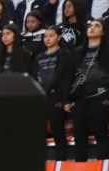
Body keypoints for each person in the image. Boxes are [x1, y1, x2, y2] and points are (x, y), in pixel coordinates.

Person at [66, 18, 109, 162]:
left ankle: (101, 169)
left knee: (101, 134)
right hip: (80, 97)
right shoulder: (77, 52)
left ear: (103, 32)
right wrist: (68, 99)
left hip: (101, 95)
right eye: (90, 26)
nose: (92, 28)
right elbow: (70, 76)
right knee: (79, 135)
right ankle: (80, 168)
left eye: (96, 26)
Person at [37, 25, 75, 161]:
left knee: (58, 133)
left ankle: (61, 165)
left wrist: (65, 99)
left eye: (51, 36)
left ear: (59, 38)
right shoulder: (39, 56)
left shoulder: (64, 54)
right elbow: (34, 76)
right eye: (45, 36)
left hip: (56, 97)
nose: (47, 39)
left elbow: (63, 76)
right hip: (41, 98)